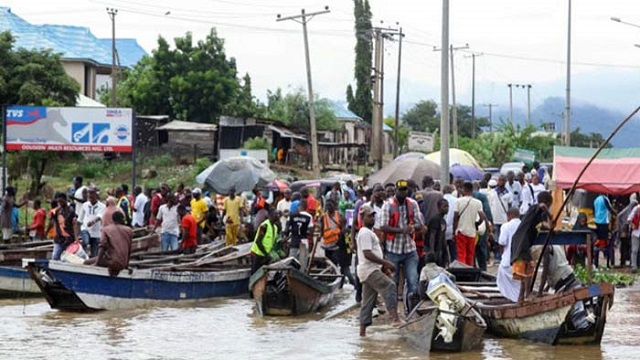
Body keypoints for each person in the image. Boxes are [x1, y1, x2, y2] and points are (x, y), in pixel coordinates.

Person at [356, 204, 401, 337]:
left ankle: (362, 333)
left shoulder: (369, 232)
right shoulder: (364, 232)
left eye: (373, 216)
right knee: (390, 286)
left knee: (367, 302)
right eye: (369, 216)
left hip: (368, 271)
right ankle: (394, 319)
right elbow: (367, 254)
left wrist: (383, 266)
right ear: (362, 217)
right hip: (369, 270)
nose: (372, 218)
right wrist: (386, 263)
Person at [380, 179, 424, 313]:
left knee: (413, 279)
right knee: (392, 283)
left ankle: (411, 310)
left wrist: (411, 227)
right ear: (396, 191)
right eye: (400, 190)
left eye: (405, 190)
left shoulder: (413, 204)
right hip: (393, 249)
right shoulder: (388, 205)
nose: (402, 192)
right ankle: (392, 311)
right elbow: (383, 226)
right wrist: (400, 230)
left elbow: (419, 224)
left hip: (410, 249)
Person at [510, 191, 554, 300]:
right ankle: (528, 294)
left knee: (524, 270)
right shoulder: (535, 208)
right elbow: (542, 205)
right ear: (548, 203)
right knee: (528, 268)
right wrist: (550, 214)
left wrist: (551, 222)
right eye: (550, 205)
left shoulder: (538, 215)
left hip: (521, 241)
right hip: (521, 241)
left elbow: (549, 226)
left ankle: (521, 297)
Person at [453, 181, 492, 267]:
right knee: (470, 254)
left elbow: (455, 217)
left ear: (464, 189)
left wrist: (454, 230)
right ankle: (469, 272)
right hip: (472, 232)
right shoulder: (478, 202)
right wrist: (477, 224)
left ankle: (462, 271)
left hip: (461, 231)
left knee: (461, 253)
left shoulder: (458, 201)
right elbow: (482, 216)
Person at [84, 211, 133, 277]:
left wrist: (96, 263)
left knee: (86, 262)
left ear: (112, 220)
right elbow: (129, 249)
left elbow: (102, 247)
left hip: (112, 261)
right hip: (123, 263)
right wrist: (126, 265)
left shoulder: (106, 229)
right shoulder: (129, 230)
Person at [497, 207, 522, 302]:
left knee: (502, 280)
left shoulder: (506, 226)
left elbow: (502, 242)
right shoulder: (523, 225)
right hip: (521, 261)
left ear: (509, 215)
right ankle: (519, 299)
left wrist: (502, 254)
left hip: (508, 261)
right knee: (519, 283)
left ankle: (510, 299)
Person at [75, 188, 106, 257]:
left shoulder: (102, 206)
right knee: (85, 242)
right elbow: (79, 220)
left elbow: (99, 217)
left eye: (92, 195)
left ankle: (90, 261)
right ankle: (85, 251)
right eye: (89, 195)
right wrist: (76, 236)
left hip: (96, 233)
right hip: (86, 229)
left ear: (96, 195)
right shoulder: (85, 205)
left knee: (94, 254)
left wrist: (93, 222)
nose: (90, 197)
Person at [489, 175, 512, 263]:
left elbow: (509, 207)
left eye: (503, 180)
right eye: (500, 180)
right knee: (495, 239)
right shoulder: (492, 193)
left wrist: (509, 218)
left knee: (503, 239)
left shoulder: (508, 194)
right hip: (494, 219)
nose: (501, 181)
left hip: (504, 219)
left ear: (505, 181)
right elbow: (490, 206)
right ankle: (496, 256)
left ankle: (503, 255)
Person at [250, 209, 280, 275]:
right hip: (257, 254)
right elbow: (258, 241)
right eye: (276, 214)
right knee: (255, 274)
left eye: (279, 214)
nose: (278, 216)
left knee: (263, 275)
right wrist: (266, 254)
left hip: (264, 255)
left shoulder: (275, 228)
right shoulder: (264, 226)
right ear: (271, 215)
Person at [286, 198, 313, 270]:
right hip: (304, 240)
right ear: (306, 206)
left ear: (299, 206)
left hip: (294, 240)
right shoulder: (309, 217)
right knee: (303, 263)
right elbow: (311, 231)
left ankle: (291, 276)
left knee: (291, 261)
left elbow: (287, 230)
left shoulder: (291, 216)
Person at [473, 181, 494, 270]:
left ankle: (472, 268)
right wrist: (490, 224)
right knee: (481, 248)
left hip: (470, 226)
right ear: (478, 187)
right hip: (481, 226)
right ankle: (483, 269)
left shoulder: (464, 196)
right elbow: (487, 212)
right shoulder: (482, 196)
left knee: (471, 249)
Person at [593, 193, 616, 268]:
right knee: (607, 245)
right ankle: (609, 263)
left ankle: (596, 264)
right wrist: (617, 213)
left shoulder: (596, 200)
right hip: (604, 224)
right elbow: (610, 209)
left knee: (597, 244)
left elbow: (594, 211)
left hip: (597, 223)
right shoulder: (605, 199)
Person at [425, 199, 449, 268]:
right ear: (438, 208)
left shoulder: (443, 221)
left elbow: (443, 235)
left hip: (440, 248)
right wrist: (432, 251)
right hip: (434, 249)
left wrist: (446, 251)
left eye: (447, 206)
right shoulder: (435, 219)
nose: (447, 208)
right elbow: (432, 235)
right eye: (444, 206)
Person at [52, 193, 77, 261]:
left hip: (69, 238)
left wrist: (76, 238)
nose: (60, 203)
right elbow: (55, 222)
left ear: (65, 200)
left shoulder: (71, 211)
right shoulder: (57, 211)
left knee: (68, 258)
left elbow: (74, 224)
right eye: (59, 202)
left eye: (62, 201)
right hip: (59, 238)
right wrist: (56, 233)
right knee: (55, 256)